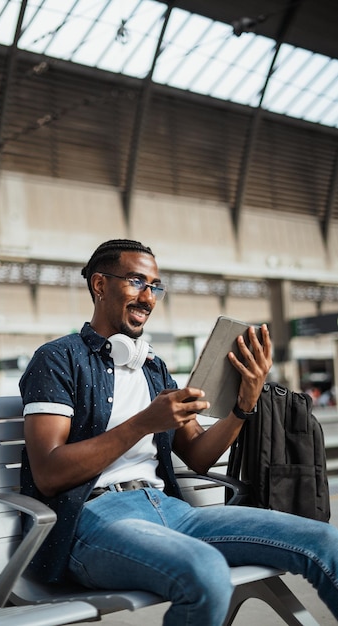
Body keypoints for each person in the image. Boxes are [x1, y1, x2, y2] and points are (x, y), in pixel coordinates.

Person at [20, 239, 338, 625]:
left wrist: (244, 405)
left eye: (155, 286)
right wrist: (143, 423)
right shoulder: (58, 359)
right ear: (100, 285)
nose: (148, 296)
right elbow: (49, 475)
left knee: (326, 542)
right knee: (205, 571)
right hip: (94, 520)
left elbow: (200, 455)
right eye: (137, 281)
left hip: (171, 510)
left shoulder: (153, 368)